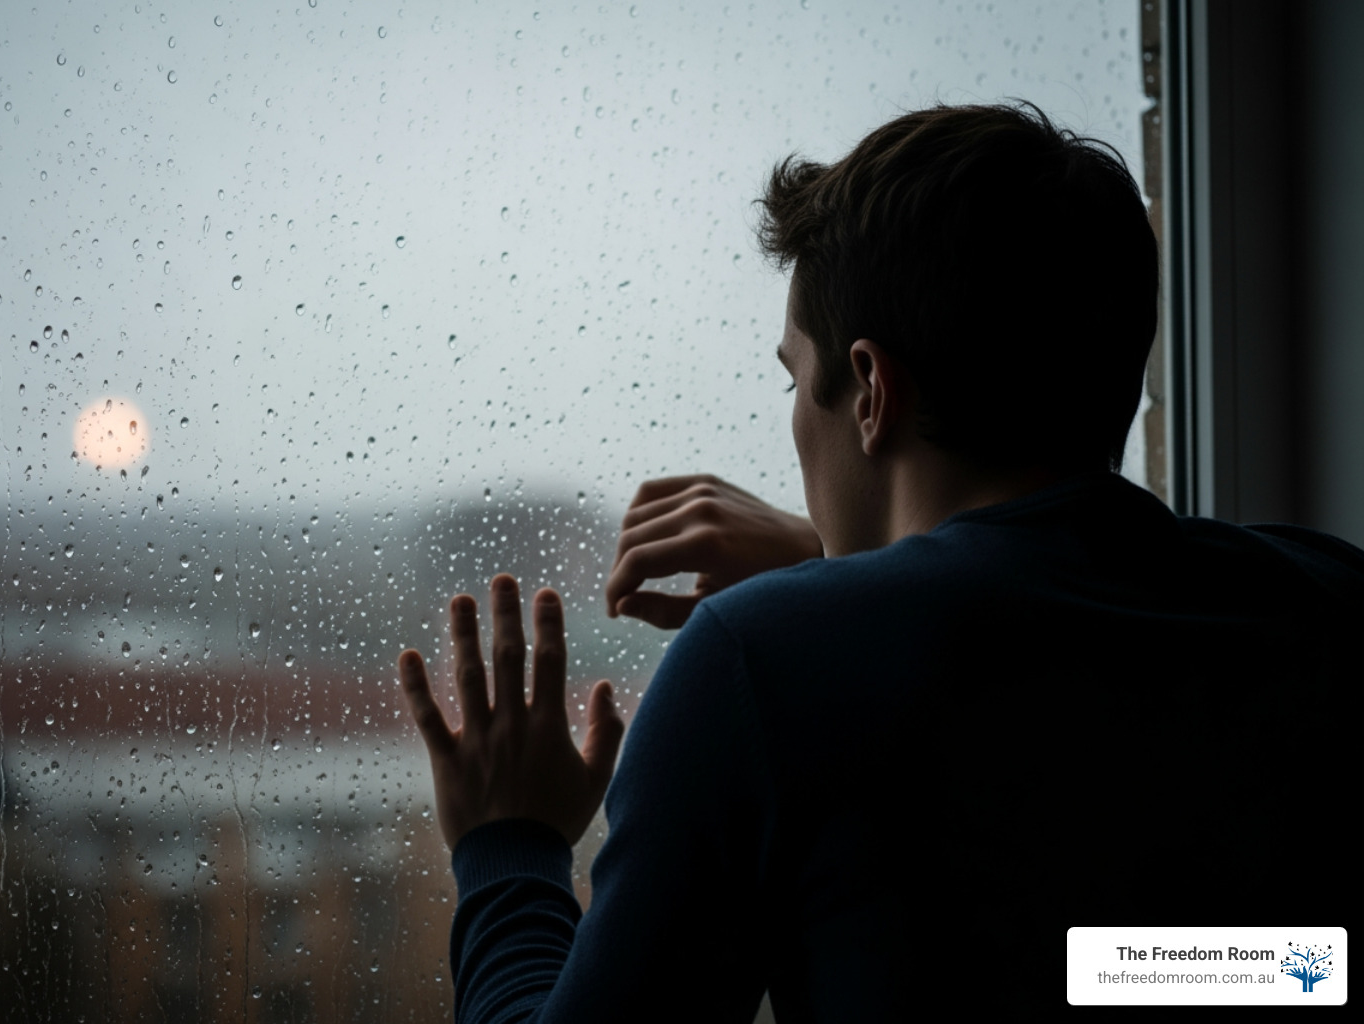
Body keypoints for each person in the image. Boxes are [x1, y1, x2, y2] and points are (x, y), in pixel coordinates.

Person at [396, 102, 1364, 1020]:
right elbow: (1281, 971)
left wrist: (507, 844)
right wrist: (839, 565)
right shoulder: (1328, 596)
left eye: (793, 378)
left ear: (869, 389)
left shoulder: (763, 660)